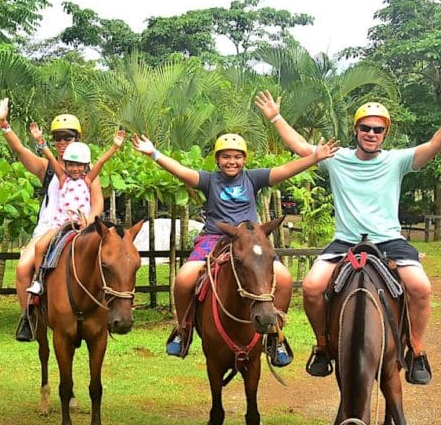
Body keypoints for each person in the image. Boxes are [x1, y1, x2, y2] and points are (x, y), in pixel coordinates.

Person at [255, 90, 441, 385]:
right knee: (312, 287)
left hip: (388, 240)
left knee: (420, 287)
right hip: (346, 241)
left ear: (385, 133)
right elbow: (301, 147)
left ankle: (416, 350)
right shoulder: (336, 158)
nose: (371, 133)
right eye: (365, 128)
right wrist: (276, 117)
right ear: (355, 130)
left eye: (378, 129)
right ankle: (322, 345)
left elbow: (434, 144)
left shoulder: (397, 160)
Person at [132, 131, 339, 360]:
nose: (232, 161)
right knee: (184, 278)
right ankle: (184, 329)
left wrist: (315, 158)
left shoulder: (253, 178)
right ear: (218, 159)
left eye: (237, 157)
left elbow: (284, 171)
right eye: (226, 156)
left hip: (250, 242)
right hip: (214, 238)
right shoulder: (209, 180)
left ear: (245, 159)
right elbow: (182, 172)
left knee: (284, 278)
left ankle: (275, 334)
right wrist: (154, 154)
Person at [0, 100, 105, 341]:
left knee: (112, 262)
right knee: (24, 267)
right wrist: (4, 125)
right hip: (49, 228)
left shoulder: (88, 173)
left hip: (82, 228)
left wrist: (90, 220)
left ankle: (109, 310)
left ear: (78, 138)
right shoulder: (47, 168)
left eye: (68, 137)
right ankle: (29, 318)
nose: (62, 142)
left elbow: (98, 204)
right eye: (58, 138)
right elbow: (21, 151)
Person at [26, 125, 125, 294]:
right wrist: (39, 140)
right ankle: (39, 280)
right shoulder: (63, 178)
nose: (74, 169)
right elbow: (49, 155)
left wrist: (115, 147)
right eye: (71, 164)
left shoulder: (87, 180)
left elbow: (101, 162)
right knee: (40, 246)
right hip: (59, 225)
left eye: (79, 165)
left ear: (86, 166)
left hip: (80, 225)